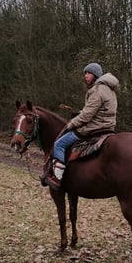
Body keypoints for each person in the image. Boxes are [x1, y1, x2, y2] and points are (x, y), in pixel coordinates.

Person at [42, 62, 119, 190]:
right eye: (85, 73)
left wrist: (70, 124)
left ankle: (57, 178)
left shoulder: (97, 90)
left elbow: (87, 116)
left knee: (59, 144)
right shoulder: (109, 89)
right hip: (108, 125)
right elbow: (96, 110)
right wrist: (79, 113)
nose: (86, 76)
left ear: (96, 75)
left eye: (89, 73)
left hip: (94, 127)